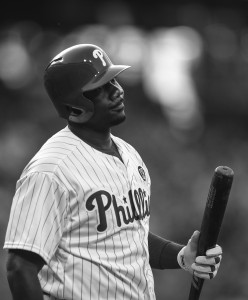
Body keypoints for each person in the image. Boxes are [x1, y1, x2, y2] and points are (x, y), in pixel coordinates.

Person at [4, 44, 222, 300]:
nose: (118, 91)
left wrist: (181, 255)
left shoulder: (129, 153)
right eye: (102, 88)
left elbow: (128, 235)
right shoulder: (51, 170)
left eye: (114, 81)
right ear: (75, 106)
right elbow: (20, 267)